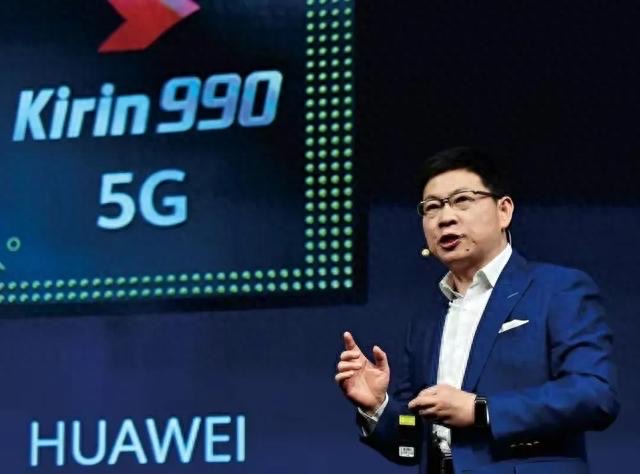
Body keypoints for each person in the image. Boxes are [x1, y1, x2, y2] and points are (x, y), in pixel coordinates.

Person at [335, 147, 619, 474]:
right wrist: (378, 407)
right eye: (432, 207)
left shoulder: (557, 289)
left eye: (462, 200)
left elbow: (595, 395)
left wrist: (482, 411)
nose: (445, 217)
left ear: (504, 211)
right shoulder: (426, 320)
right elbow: (410, 446)